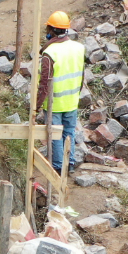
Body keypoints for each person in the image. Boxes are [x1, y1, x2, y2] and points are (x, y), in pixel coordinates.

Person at [34, 11, 86, 174]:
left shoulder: (50, 53)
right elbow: (82, 74)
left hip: (54, 103)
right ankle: (69, 163)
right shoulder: (79, 48)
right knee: (69, 132)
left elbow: (44, 84)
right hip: (72, 100)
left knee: (55, 135)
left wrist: (35, 106)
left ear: (51, 30)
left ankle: (57, 167)